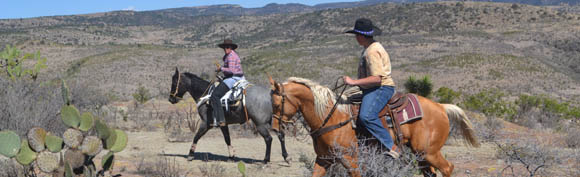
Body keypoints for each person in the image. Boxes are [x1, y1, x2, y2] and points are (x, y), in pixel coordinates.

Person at [343, 18, 399, 158]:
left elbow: (377, 78)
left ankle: (391, 147)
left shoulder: (372, 52)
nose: (355, 38)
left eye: (356, 35)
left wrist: (354, 82)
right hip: (371, 88)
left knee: (366, 116)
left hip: (381, 88)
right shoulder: (369, 48)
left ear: (361, 36)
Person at [211, 39, 245, 127]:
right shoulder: (229, 56)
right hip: (234, 77)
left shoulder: (231, 56)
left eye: (227, 47)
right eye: (224, 47)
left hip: (234, 78)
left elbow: (232, 70)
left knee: (215, 95)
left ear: (231, 48)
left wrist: (221, 69)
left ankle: (221, 119)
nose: (226, 49)